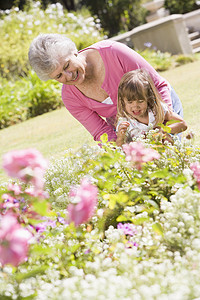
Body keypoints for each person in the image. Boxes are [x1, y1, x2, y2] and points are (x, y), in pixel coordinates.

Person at [28, 33, 184, 143]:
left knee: (170, 154)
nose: (68, 76)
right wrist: (122, 154)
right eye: (58, 76)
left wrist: (162, 124)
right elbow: (101, 132)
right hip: (129, 128)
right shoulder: (70, 97)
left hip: (159, 107)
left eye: (67, 65)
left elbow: (157, 85)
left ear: (73, 51)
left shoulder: (113, 52)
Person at [116, 69, 187, 147]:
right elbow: (120, 147)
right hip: (141, 155)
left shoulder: (155, 111)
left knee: (167, 138)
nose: (135, 106)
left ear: (148, 98)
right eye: (130, 102)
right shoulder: (125, 122)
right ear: (123, 102)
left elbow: (182, 124)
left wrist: (163, 131)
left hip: (162, 150)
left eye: (140, 101)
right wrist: (120, 137)